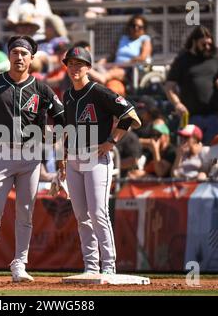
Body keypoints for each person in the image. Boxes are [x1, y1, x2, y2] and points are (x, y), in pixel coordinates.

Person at [0, 35, 65, 283]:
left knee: (25, 212)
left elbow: (62, 121)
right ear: (9, 55)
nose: (19, 57)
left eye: (24, 53)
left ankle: (20, 264)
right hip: (2, 152)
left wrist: (59, 155)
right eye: (15, 52)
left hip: (31, 155)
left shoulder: (42, 88)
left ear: (32, 58)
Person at [59, 46, 141, 275]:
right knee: (82, 217)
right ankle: (91, 266)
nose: (74, 68)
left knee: (98, 213)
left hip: (96, 157)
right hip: (74, 157)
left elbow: (130, 115)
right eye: (70, 64)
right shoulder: (67, 95)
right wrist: (63, 158)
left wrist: (111, 142)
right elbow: (68, 129)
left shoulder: (98, 91)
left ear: (88, 67)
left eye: (79, 64)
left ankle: (109, 266)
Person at [164, 26, 218, 145]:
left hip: (213, 116)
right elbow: (169, 86)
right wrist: (177, 104)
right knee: (189, 152)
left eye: (209, 44)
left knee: (212, 153)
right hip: (191, 117)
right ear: (194, 42)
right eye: (203, 44)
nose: (207, 47)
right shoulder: (182, 60)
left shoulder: (215, 59)